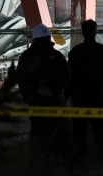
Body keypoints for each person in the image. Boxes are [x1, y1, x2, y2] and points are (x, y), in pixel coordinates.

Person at [14, 23, 70, 168]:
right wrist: (55, 91)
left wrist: (33, 92)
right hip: (54, 100)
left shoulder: (27, 57)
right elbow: (66, 75)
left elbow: (21, 78)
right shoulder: (56, 56)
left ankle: (38, 163)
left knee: (39, 132)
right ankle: (60, 161)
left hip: (36, 102)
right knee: (59, 131)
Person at [65, 18, 103, 163]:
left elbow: (70, 76)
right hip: (99, 97)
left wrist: (68, 94)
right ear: (95, 32)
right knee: (100, 131)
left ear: (83, 33)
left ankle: (80, 161)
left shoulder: (75, 53)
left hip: (79, 98)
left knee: (79, 132)